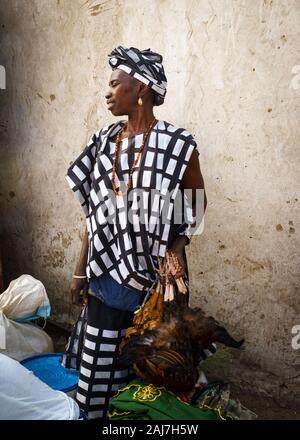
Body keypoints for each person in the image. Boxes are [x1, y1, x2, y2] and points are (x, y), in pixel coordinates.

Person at [66, 46, 207, 419]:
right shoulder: (101, 143)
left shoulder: (178, 145)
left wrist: (177, 247)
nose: (107, 92)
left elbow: (196, 205)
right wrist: (81, 270)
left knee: (155, 367)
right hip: (106, 277)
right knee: (97, 373)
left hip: (158, 282)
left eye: (115, 84)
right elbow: (94, 215)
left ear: (140, 87)